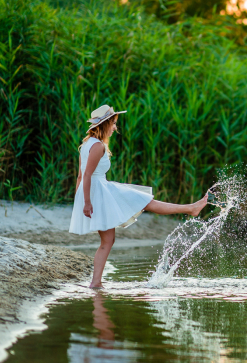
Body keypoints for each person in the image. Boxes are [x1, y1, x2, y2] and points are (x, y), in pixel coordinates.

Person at [69, 104, 208, 288]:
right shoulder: (97, 147)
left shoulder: (86, 144)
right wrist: (85, 203)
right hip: (98, 193)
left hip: (97, 192)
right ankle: (191, 209)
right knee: (142, 204)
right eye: (113, 124)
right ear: (105, 124)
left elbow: (80, 176)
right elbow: (85, 175)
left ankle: (96, 284)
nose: (115, 128)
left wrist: (80, 200)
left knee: (109, 239)